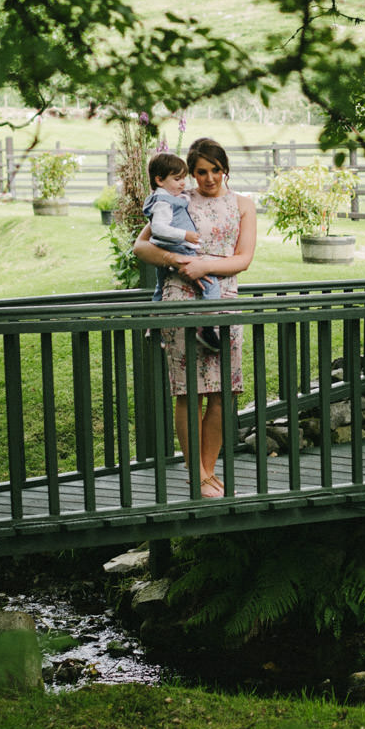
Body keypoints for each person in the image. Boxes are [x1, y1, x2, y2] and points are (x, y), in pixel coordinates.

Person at [133, 138, 257, 498]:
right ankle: (197, 474)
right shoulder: (178, 199)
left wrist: (208, 265)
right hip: (182, 298)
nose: (208, 178)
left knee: (223, 392)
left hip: (224, 299)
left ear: (225, 169)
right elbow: (141, 246)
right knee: (190, 391)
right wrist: (179, 262)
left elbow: (243, 258)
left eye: (215, 170)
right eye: (201, 171)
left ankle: (208, 471)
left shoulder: (243, 205)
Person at [143, 151, 220, 350]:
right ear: (159, 180)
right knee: (211, 284)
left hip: (166, 249)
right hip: (178, 248)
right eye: (177, 179)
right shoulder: (163, 202)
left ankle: (154, 326)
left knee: (160, 290)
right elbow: (159, 228)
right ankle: (207, 327)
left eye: (183, 178)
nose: (182, 183)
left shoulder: (167, 197)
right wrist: (184, 235)